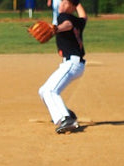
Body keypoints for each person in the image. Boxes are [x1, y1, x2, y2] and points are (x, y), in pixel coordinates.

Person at [38, 0, 87, 134]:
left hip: (72, 63)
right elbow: (84, 17)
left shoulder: (64, 17)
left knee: (50, 91)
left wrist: (57, 28)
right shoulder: (79, 21)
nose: (61, 5)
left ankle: (65, 119)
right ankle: (68, 114)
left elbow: (67, 25)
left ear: (71, 7)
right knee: (43, 91)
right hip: (72, 64)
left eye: (65, 2)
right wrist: (77, 3)